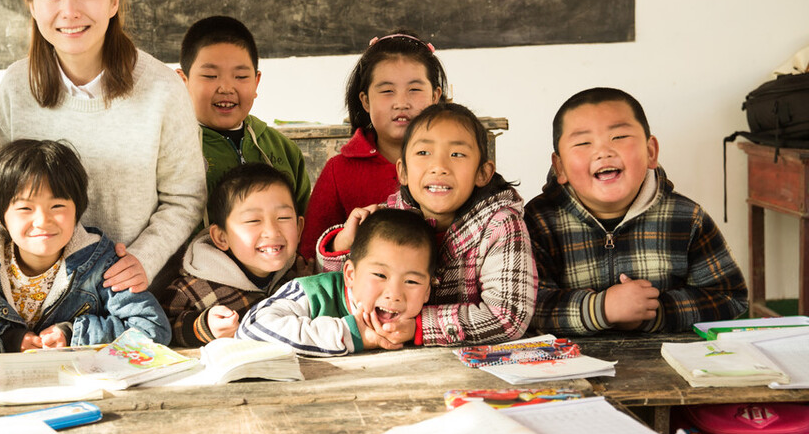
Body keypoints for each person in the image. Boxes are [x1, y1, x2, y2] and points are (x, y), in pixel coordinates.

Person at [0, 0, 204, 297]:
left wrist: (143, 259)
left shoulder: (163, 88)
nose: (69, 11)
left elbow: (185, 198)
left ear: (114, 2)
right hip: (32, 295)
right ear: (32, 4)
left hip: (124, 292)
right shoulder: (16, 85)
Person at [525, 87, 747, 334]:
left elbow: (729, 298)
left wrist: (655, 312)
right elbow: (524, 309)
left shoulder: (686, 218)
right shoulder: (538, 221)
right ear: (560, 167)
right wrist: (600, 309)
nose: (603, 152)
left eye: (618, 137)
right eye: (583, 142)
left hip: (662, 362)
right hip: (566, 365)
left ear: (651, 152)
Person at [315, 102, 536, 346]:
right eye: (423, 153)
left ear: (482, 173)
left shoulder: (501, 225)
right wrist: (342, 244)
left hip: (473, 363)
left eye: (457, 154)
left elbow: (508, 318)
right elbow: (343, 285)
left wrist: (420, 327)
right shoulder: (389, 219)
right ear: (403, 171)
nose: (439, 167)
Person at [0, 139, 171, 361]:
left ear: (78, 210)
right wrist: (7, 340)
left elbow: (152, 328)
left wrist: (74, 335)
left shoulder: (103, 264)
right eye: (25, 208)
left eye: (57, 206)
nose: (43, 221)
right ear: (1, 216)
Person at [299, 33, 446, 261]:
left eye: (415, 90)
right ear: (365, 100)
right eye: (387, 91)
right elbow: (308, 260)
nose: (401, 103)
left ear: (436, 96)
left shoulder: (455, 163)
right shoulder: (339, 171)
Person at [237, 208, 434, 356]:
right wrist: (351, 334)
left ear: (427, 290)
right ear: (350, 274)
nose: (394, 294)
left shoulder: (423, 322)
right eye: (380, 276)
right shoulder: (313, 293)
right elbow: (252, 329)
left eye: (411, 281)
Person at [161, 163, 311, 347]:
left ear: (299, 227)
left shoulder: (295, 276)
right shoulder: (192, 290)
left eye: (283, 218)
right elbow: (159, 328)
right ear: (221, 237)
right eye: (253, 220)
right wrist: (203, 327)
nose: (272, 231)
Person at [177, 16, 311, 218]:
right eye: (210, 76)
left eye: (240, 77)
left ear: (256, 82)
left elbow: (306, 224)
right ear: (182, 82)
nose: (226, 88)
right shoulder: (169, 150)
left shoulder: (283, 149)